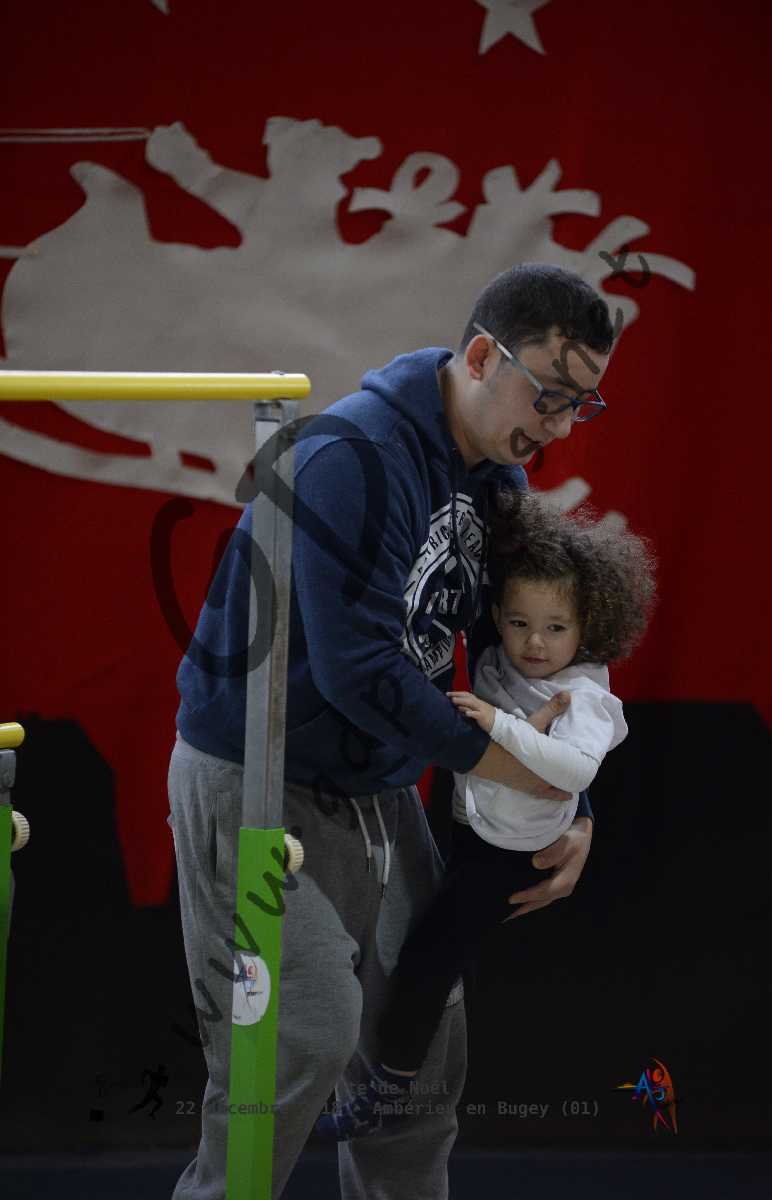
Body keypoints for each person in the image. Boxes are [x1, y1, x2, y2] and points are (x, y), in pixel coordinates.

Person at [166, 263, 616, 1200]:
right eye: (550, 396)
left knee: (420, 1054)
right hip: (257, 778)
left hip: (378, 785)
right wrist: (527, 775)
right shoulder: (349, 455)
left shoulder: (494, 478)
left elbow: (523, 662)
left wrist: (570, 799)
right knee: (298, 1040)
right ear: (482, 357)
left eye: (582, 405)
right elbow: (359, 671)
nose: (561, 428)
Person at [316, 489, 656, 1139]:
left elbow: (576, 773)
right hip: (471, 818)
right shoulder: (500, 640)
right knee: (409, 945)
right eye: (520, 623)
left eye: (556, 628)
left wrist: (503, 725)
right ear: (497, 613)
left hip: (511, 852)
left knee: (428, 957)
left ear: (588, 626)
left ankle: (389, 1089)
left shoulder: (583, 693)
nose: (535, 643)